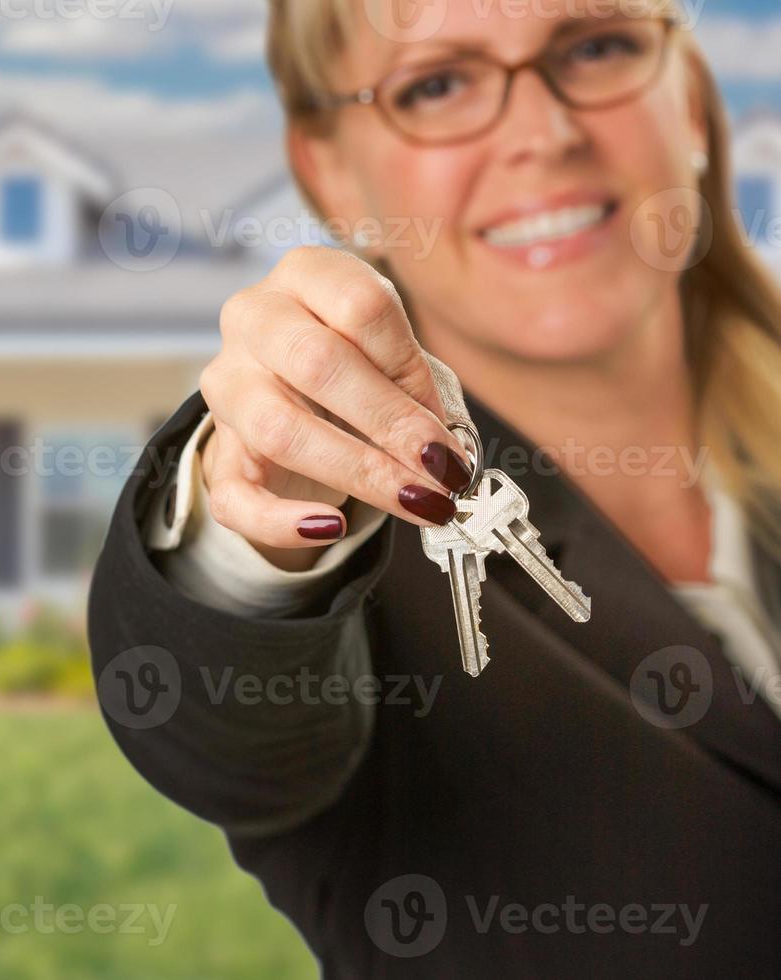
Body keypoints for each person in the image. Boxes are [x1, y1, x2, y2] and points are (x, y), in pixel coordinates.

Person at [88, 0, 781, 975]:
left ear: (688, 95)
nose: (542, 134)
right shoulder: (368, 583)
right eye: (436, 84)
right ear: (330, 171)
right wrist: (250, 529)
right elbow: (218, 722)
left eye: (593, 46)